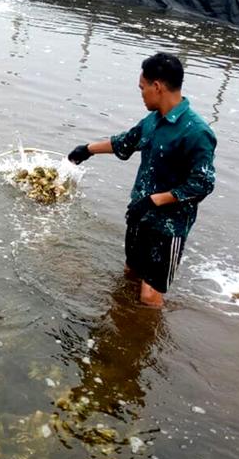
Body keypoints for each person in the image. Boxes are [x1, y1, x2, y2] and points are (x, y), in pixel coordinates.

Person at [67, 52, 216, 307]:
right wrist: (87, 149)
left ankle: (148, 339)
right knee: (130, 274)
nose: (141, 93)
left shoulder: (197, 132)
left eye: (142, 87)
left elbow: (203, 183)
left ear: (156, 86)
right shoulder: (153, 120)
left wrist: (154, 201)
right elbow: (126, 141)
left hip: (169, 227)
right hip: (139, 216)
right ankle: (125, 326)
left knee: (149, 296)